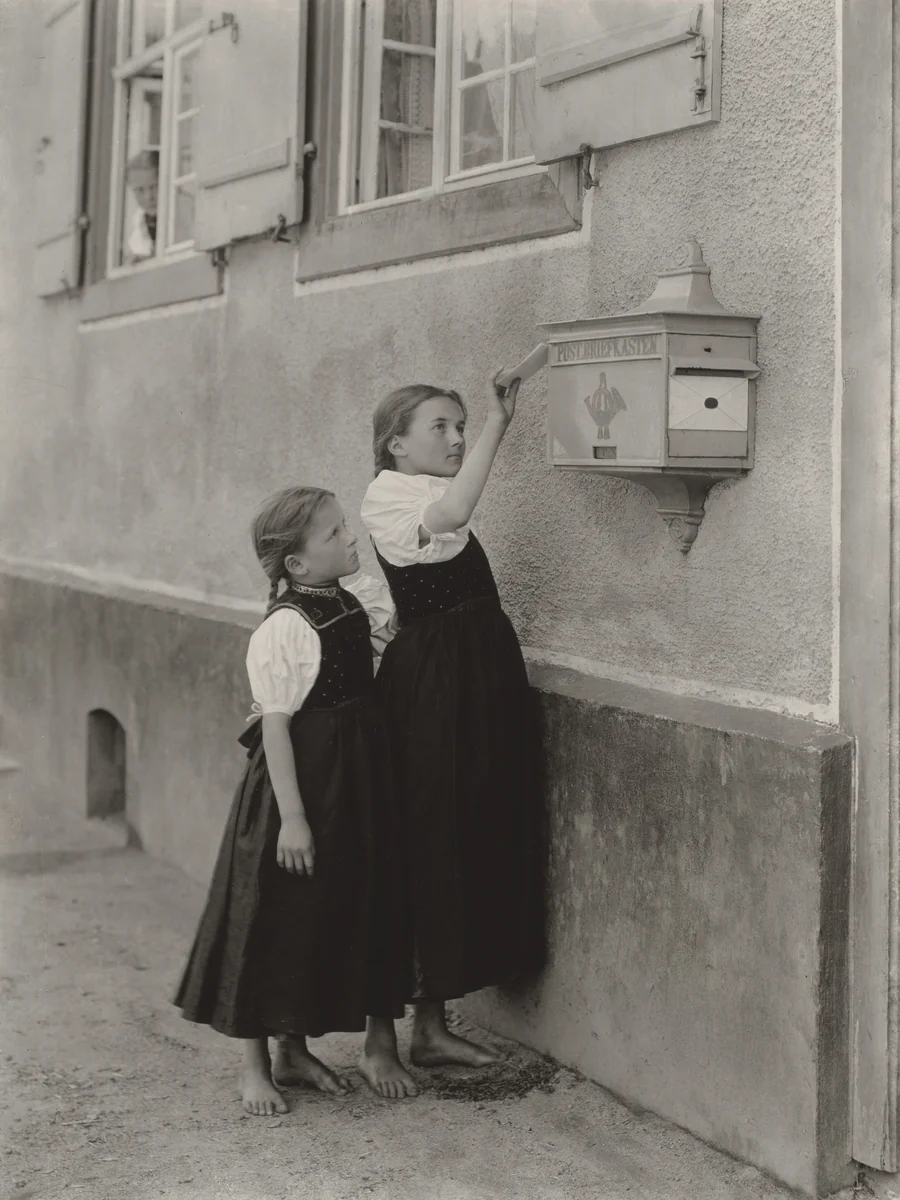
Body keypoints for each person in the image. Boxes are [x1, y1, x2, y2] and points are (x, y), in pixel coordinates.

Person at [174, 486, 412, 1115]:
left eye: (343, 529)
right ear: (298, 565)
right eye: (335, 535)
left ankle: (307, 1048)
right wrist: (295, 820)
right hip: (298, 786)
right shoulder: (284, 627)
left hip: (358, 775)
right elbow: (275, 724)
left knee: (359, 898)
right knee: (272, 914)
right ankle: (258, 1064)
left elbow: (373, 651)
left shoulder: (348, 599)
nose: (350, 539)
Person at [359, 373, 544, 1086]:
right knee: (418, 840)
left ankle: (432, 1026)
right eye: (441, 426)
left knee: (463, 834)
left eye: (462, 425)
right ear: (395, 443)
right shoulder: (388, 496)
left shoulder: (420, 494)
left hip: (478, 679)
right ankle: (381, 1038)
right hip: (432, 688)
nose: (457, 437)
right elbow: (459, 504)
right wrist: (501, 423)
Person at [125, 149, 158, 263]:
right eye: (140, 190)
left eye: (154, 187)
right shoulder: (135, 222)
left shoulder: (187, 210)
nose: (149, 197)